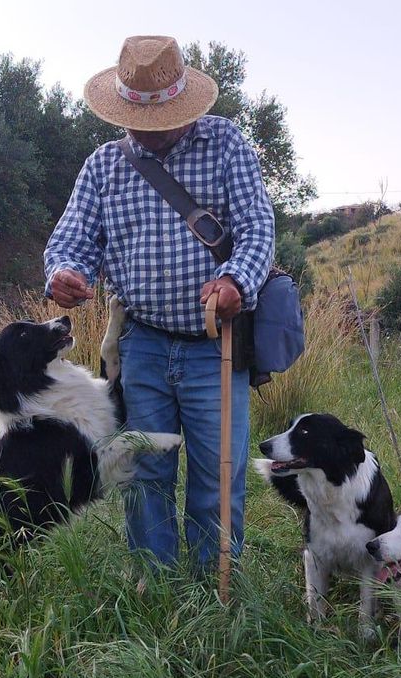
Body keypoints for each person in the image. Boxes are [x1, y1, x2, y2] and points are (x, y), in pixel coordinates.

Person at [44, 35, 275, 574]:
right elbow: (70, 243)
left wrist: (235, 280)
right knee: (145, 470)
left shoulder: (226, 144)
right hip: (141, 343)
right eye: (137, 120)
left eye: (161, 118)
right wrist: (64, 276)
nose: (148, 130)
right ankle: (155, 590)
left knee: (218, 476)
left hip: (215, 345)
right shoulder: (103, 166)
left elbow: (258, 228)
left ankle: (211, 593)